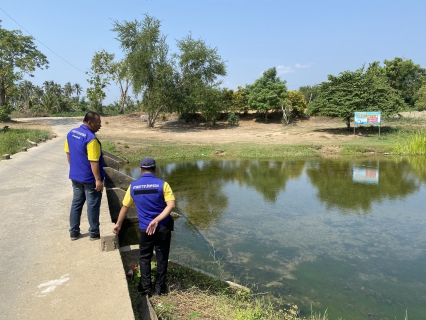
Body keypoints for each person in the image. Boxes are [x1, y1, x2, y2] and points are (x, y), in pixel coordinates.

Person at [113, 157, 175, 296]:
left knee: (145, 257)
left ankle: (146, 288)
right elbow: (171, 205)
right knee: (162, 257)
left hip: (145, 228)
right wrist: (157, 220)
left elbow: (125, 207)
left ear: (141, 170)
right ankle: (160, 288)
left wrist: (118, 224)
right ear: (155, 169)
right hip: (163, 227)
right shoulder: (163, 184)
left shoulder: (133, 186)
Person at [64, 111, 104, 241]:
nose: (100, 126)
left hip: (76, 177)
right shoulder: (91, 139)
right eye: (98, 123)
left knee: (76, 203)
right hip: (89, 179)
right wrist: (98, 179)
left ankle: (74, 232)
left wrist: (75, 168)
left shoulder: (71, 133)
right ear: (90, 123)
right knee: (92, 206)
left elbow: (68, 153)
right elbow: (94, 161)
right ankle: (94, 232)